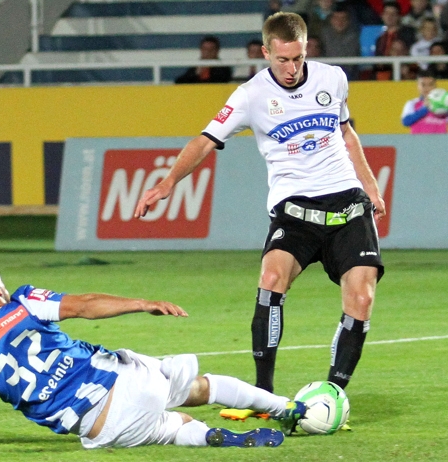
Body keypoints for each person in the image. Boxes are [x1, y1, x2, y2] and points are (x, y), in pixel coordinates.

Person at [134, 12, 385, 425]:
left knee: (362, 297)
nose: (291, 69)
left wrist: (371, 186)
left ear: (307, 50)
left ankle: (332, 395)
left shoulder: (333, 79)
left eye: (298, 59)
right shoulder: (249, 96)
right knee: (271, 280)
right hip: (296, 210)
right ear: (266, 52)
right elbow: (204, 140)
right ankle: (263, 394)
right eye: (283, 60)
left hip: (347, 205)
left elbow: (346, 133)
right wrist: (167, 184)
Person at [0, 248, 307, 454]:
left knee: (171, 427)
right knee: (199, 387)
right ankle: (289, 408)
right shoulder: (24, 301)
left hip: (105, 425)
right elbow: (82, 306)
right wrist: (142, 303)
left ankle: (207, 438)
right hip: (123, 379)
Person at [320, 3, 361, 80]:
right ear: (331, 20)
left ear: (349, 20)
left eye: (343, 19)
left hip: (351, 78)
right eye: (336, 18)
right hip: (326, 76)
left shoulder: (355, 35)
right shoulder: (324, 35)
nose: (340, 22)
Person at [401, 69, 448, 133]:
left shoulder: (443, 103)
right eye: (423, 85)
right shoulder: (412, 103)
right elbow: (406, 122)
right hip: (417, 142)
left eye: (431, 84)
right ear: (418, 86)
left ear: (436, 86)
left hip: (439, 142)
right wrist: (424, 109)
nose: (427, 88)